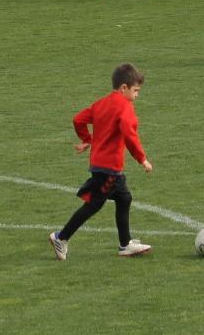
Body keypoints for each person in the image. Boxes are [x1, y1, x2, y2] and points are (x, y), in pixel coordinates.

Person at [48, 63, 153, 260]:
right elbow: (130, 136)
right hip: (110, 168)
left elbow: (78, 119)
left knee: (124, 198)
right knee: (94, 205)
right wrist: (142, 159)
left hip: (99, 164)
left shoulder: (101, 103)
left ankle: (125, 244)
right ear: (124, 88)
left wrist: (87, 140)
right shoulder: (125, 107)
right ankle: (60, 237)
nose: (137, 95)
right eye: (136, 91)